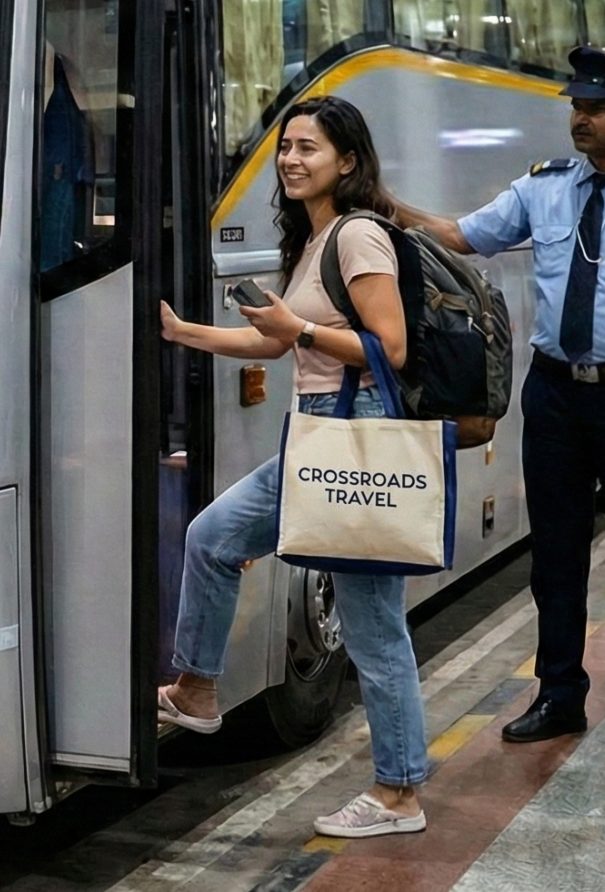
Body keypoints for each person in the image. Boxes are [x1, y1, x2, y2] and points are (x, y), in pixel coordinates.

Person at [395, 46, 605, 758]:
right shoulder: (541, 188)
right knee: (556, 556)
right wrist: (382, 204)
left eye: (597, 108)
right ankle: (559, 694)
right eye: (577, 106)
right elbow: (460, 236)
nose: (581, 118)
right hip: (555, 395)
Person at [155, 96, 432, 839]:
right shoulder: (313, 239)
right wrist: (186, 333)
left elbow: (390, 347)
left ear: (348, 160)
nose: (290, 159)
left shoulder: (359, 235)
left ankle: (400, 792)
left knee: (373, 626)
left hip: (355, 436)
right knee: (213, 538)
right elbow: (276, 344)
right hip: (316, 437)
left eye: (308, 147)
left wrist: (300, 325)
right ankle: (198, 690)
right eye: (286, 147)